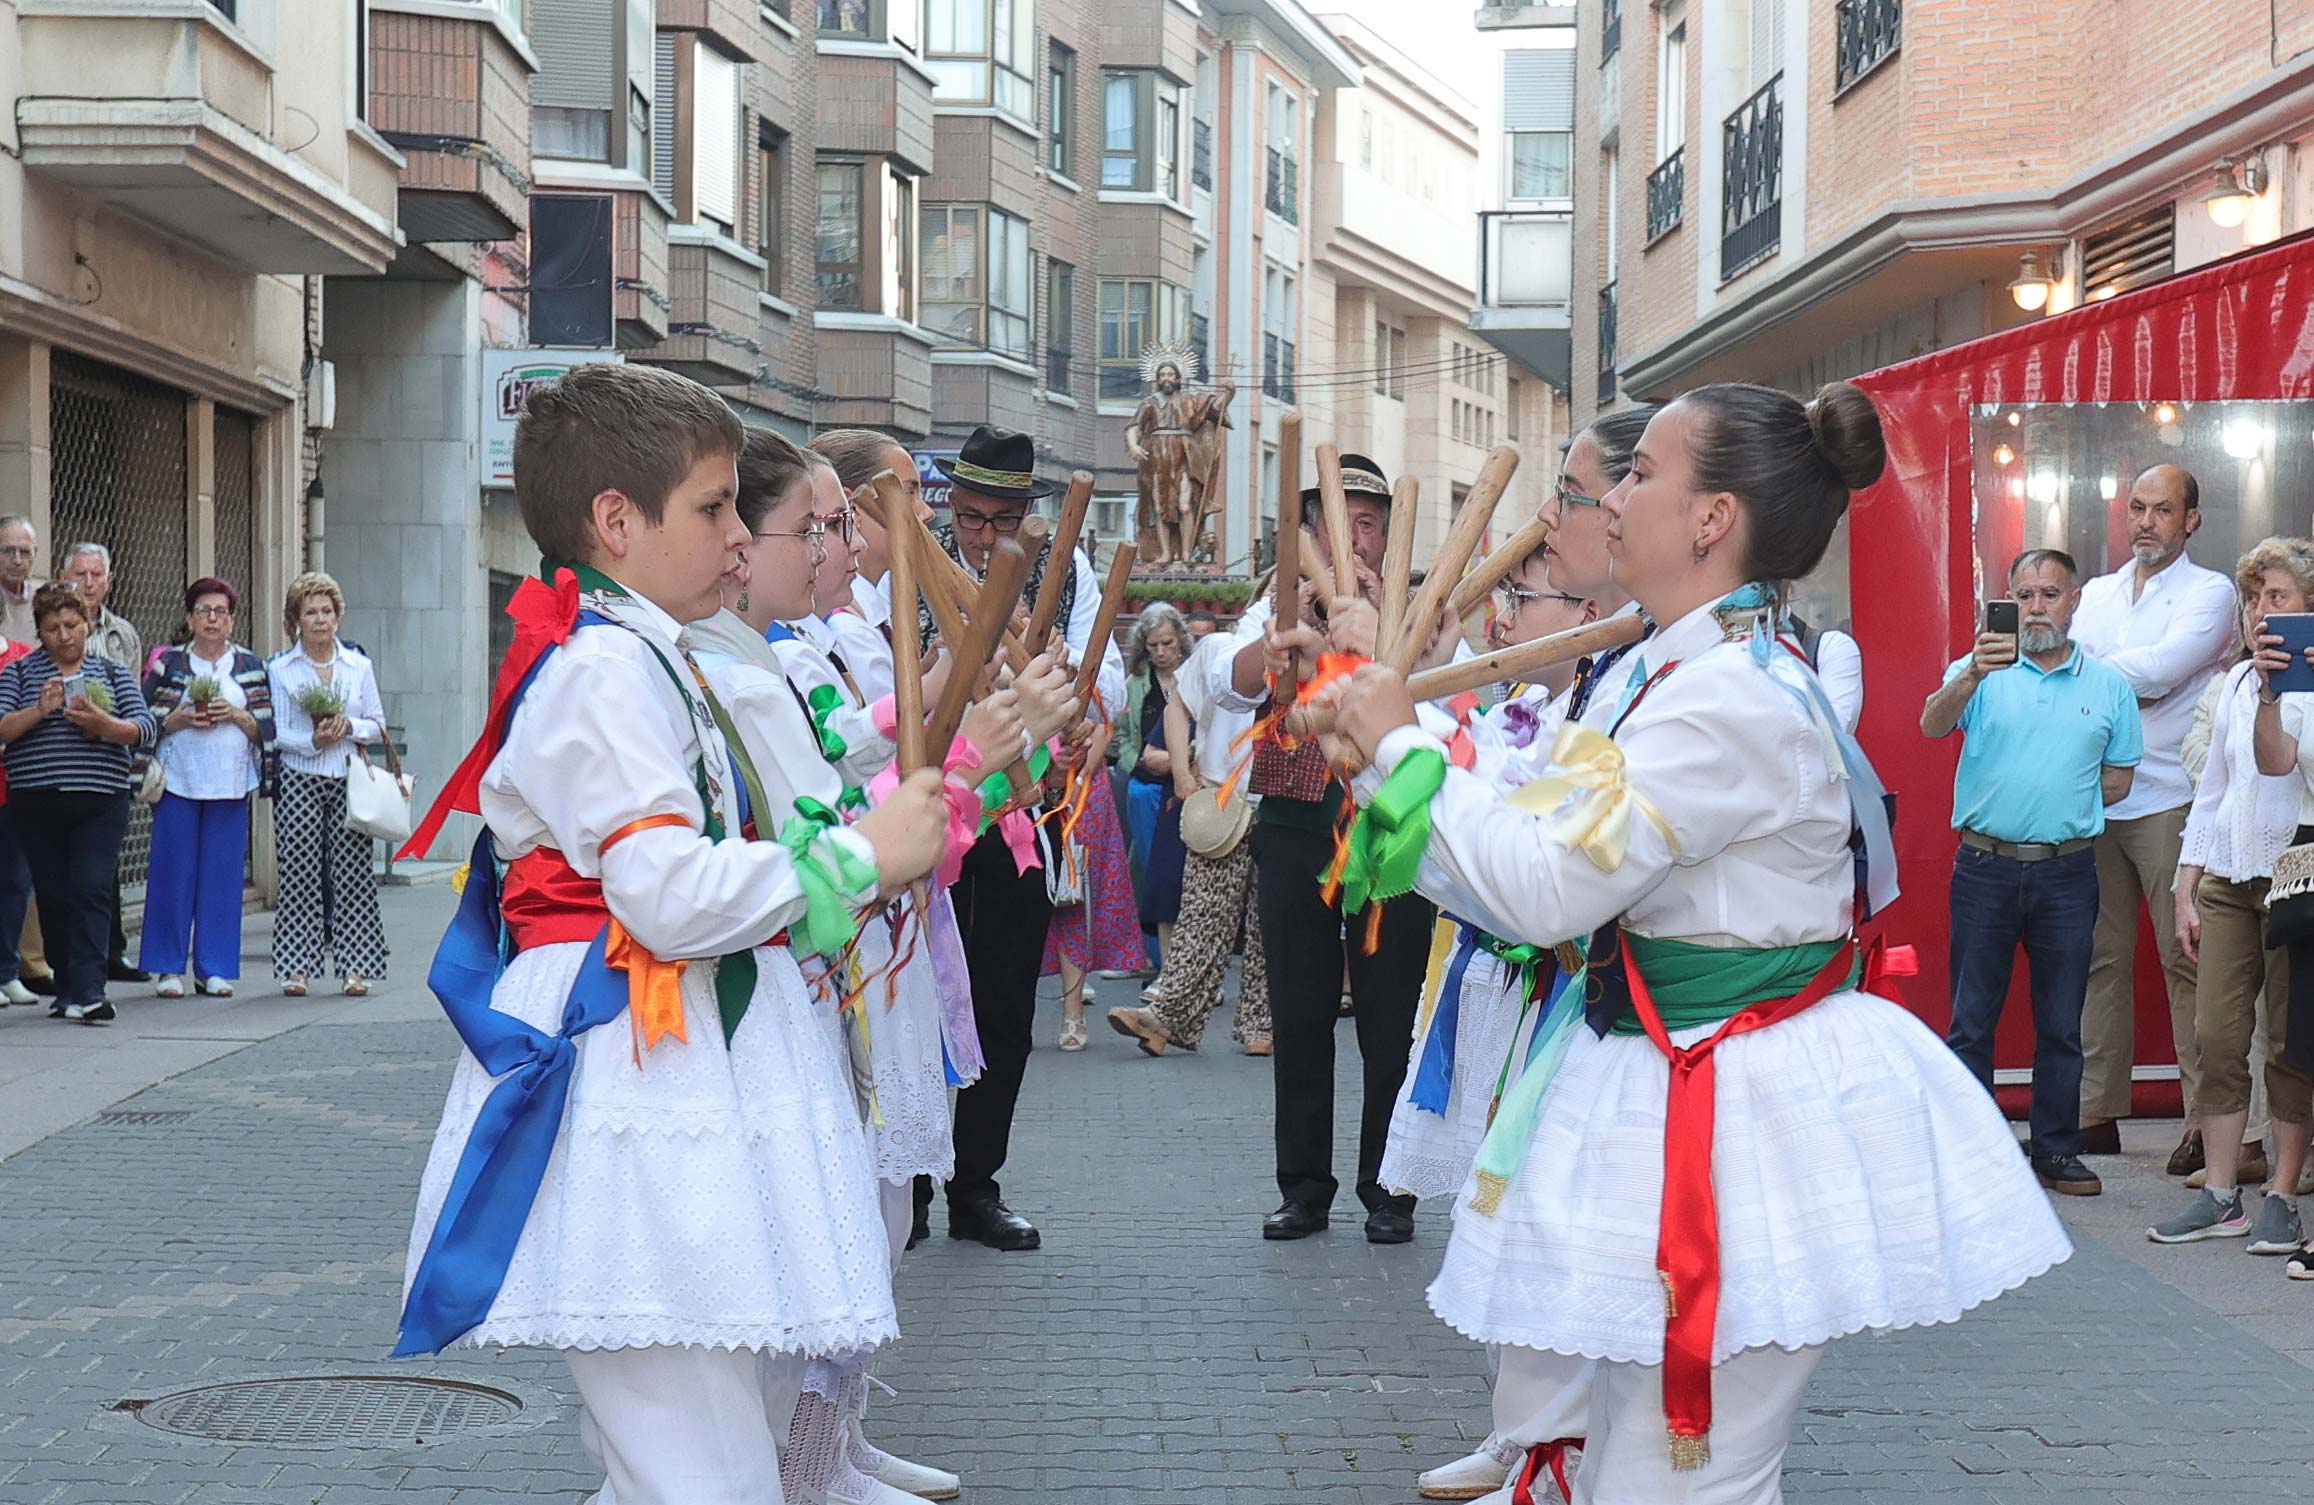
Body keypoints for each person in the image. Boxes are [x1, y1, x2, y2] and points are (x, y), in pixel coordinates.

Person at [1322, 380, 2069, 1504]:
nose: (1611, 497)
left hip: (1736, 1109)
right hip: (1671, 1080)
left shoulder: (1729, 697)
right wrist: (1391, 746)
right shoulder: (1662, 665)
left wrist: (1397, 749)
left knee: (1681, 1478)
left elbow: (1542, 887)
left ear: (1712, 519)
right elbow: (1525, 835)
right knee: (1650, 1466)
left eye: (1639, 473)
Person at [394, 361, 952, 1505]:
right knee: (704, 1472)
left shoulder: (642, 650)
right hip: (632, 1078)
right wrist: (858, 854)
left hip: (670, 1070)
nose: (737, 534)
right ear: (615, 520)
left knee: (690, 1461)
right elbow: (662, 890)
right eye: (711, 507)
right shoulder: (605, 665)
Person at [693, 429, 1019, 1505]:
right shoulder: (750, 664)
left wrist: (978, 751)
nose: (844, 543)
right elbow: (842, 797)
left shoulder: (803, 648)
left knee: (873, 1219)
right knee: (834, 1229)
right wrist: (964, 751)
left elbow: (878, 764)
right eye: (823, 522)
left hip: (868, 948)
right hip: (822, 962)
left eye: (846, 519)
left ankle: (830, 1449)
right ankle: (798, 1467)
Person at [1404, 406, 1655, 1505]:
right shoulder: (1606, 662)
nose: (1547, 518)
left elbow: (1558, 863)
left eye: (1576, 489)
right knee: (1514, 1210)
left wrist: (1402, 761)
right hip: (1551, 978)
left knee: (1565, 1234)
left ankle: (1559, 1450)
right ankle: (1536, 1441)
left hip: (1618, 1007)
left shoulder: (1667, 670)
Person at [1205, 453, 1458, 1246]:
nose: (1357, 532)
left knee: (1390, 1017)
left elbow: (1454, 689)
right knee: (1301, 1010)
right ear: (1311, 528)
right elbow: (1224, 678)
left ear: (1390, 533)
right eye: (1341, 517)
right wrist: (1285, 642)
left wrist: (1396, 633)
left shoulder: (1424, 607)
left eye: (1371, 519)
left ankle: (1391, 1188)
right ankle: (1303, 1187)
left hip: (1392, 828)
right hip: (1296, 823)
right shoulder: (1279, 603)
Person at [921, 424, 1118, 1251]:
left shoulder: (1063, 564)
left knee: (1003, 1001)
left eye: (1003, 520)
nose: (985, 535)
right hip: (936, 793)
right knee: (924, 998)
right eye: (971, 517)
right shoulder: (916, 556)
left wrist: (1078, 708)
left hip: (1022, 808)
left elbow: (1097, 681)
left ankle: (976, 1186)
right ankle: (911, 1184)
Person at [1922, 549, 2142, 1198]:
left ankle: (2056, 1150)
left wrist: (2062, 804)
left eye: (2050, 593)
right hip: (1985, 866)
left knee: (2061, 1021)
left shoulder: (2109, 687)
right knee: (1971, 1018)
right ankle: (1974, 1154)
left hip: (2067, 872)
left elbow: (2120, 777)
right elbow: (1931, 724)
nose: (2036, 606)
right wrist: (1969, 677)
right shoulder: (1978, 670)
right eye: (2024, 595)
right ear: (2008, 601)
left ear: (2074, 601)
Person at [2071, 464, 2240, 1168]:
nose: (2145, 521)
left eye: (2162, 509)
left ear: (2190, 519)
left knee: (2187, 957)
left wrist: (2087, 668)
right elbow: (2098, 665)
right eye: (2136, 507)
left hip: (2172, 792)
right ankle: (2094, 1112)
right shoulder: (2101, 593)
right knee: (2098, 958)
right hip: (2094, 792)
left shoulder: (2213, 592)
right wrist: (2109, 669)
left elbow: (2166, 669)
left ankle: (2205, 1121)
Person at [2148, 538, 2314, 1248]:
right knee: (2216, 1035)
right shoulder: (2237, 683)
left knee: (2287, 1041)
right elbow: (2211, 793)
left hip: (2293, 874)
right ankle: (2221, 1193)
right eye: (2253, 598)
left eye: (2277, 597)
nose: (2260, 611)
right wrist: (2187, 884)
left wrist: (2280, 691)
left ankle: (2281, 1193)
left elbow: (2280, 763)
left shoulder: (2295, 684)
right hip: (2228, 874)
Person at [1107, 618, 1272, 1058]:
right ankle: (1166, 1016)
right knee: (1199, 913)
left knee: (1267, 919)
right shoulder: (1221, 646)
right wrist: (1181, 773)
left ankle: (1262, 1022)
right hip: (1220, 800)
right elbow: (1176, 708)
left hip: (1279, 801)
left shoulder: (1311, 649)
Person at [0, 584, 156, 1022]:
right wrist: (39, 709)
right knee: (53, 895)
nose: (64, 635)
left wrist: (105, 724)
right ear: (40, 631)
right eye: (53, 628)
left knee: (90, 890)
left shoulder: (110, 673)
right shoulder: (20, 673)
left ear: (87, 625)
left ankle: (90, 991)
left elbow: (145, 727)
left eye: (72, 625)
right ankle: (67, 987)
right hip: (37, 801)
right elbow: (3, 727)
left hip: (100, 801)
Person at [138, 579, 274, 998]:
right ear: (190, 618)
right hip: (179, 780)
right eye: (203, 610)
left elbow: (267, 729)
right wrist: (173, 721)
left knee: (222, 877)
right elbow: (142, 719)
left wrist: (235, 714)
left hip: (230, 784)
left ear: (232, 620)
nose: (212, 618)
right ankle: (167, 968)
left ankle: (213, 967)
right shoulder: (170, 665)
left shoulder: (250, 665)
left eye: (220, 611)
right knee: (172, 873)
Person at [266, 572, 388, 998]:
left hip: (349, 777)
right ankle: (296, 967)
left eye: (326, 611)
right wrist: (313, 741)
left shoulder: (358, 666)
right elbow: (278, 732)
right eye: (310, 612)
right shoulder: (281, 669)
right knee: (299, 872)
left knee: (352, 874)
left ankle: (356, 967)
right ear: (295, 619)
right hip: (301, 776)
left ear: (338, 617)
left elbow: (377, 724)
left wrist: (350, 726)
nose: (320, 620)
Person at [60, 542, 148, 984]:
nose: (88, 584)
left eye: (96, 576)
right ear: (64, 576)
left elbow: (134, 705)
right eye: (80, 574)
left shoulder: (123, 635)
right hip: (58, 760)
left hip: (108, 762)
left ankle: (112, 951)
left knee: (104, 862)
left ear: (109, 582)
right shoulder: (54, 628)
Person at [1116, 603, 1191, 955]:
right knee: (1152, 870)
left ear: (1180, 641)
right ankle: (1155, 958)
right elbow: (1123, 739)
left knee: (1182, 873)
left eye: (1168, 644)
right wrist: (1139, 766)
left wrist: (1181, 760)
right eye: (1154, 646)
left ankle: (1181, 960)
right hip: (1146, 786)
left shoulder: (1194, 676)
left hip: (1186, 786)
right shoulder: (1135, 684)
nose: (1161, 652)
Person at [0, 515, 42, 646]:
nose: (17, 561)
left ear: (35, 553)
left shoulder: (44, 598)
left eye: (24, 552)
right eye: (8, 551)